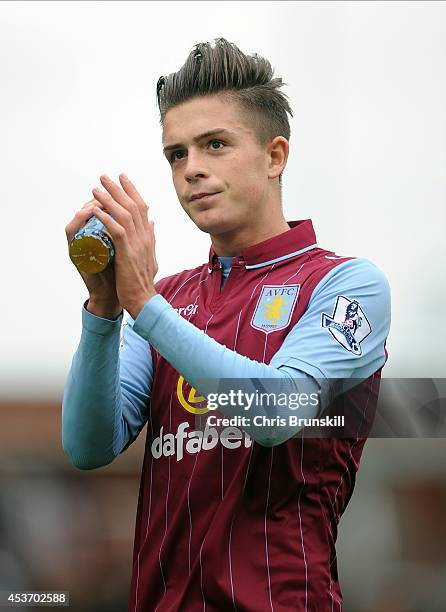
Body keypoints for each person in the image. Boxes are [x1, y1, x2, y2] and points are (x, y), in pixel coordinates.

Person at [62, 38, 391, 611]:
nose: (192, 169)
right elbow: (87, 447)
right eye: (176, 154)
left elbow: (276, 415)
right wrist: (105, 313)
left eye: (215, 144)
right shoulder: (166, 299)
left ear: (274, 156)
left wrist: (143, 305)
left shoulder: (346, 286)